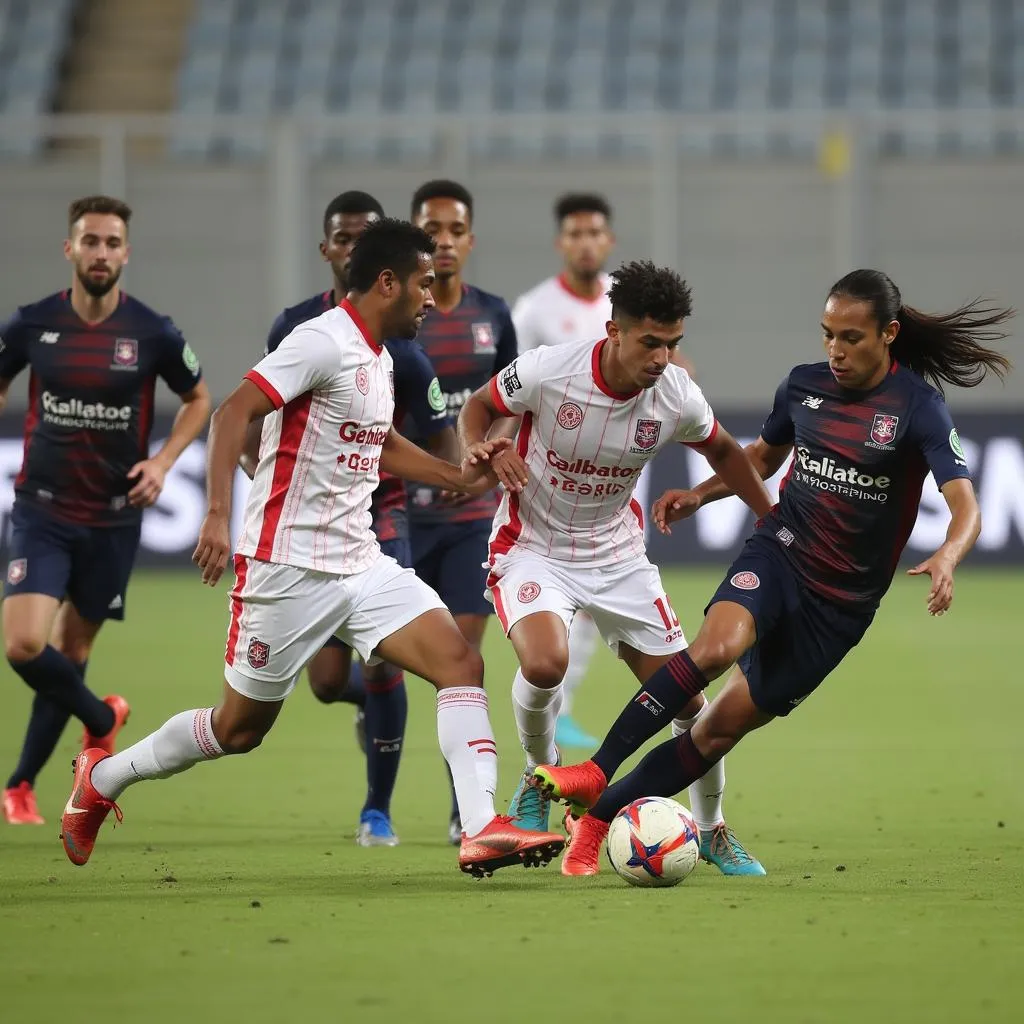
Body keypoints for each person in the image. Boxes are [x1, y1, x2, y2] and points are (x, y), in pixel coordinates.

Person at [59, 218, 565, 878]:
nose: (431, 299)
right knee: (237, 730)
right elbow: (232, 412)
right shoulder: (320, 343)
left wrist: (463, 474)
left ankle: (480, 829)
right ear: (387, 282)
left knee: (460, 665)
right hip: (285, 571)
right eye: (422, 285)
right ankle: (102, 780)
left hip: (361, 562)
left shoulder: (381, 358)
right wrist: (215, 515)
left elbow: (378, 442)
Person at [530, 268, 1013, 875]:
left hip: (840, 606)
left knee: (716, 733)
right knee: (714, 647)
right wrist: (700, 495)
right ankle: (593, 770)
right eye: (827, 334)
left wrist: (948, 553)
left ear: (889, 334)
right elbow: (763, 455)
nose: (835, 351)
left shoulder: (918, 408)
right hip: (782, 549)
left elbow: (965, 504)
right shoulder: (804, 386)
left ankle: (598, 814)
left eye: (852, 338)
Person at [459, 260, 771, 876]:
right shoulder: (552, 370)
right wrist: (484, 448)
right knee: (546, 663)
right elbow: (478, 407)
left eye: (673, 343)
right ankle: (536, 780)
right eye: (651, 342)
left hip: (618, 557)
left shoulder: (676, 394)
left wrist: (772, 517)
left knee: (691, 705)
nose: (662, 356)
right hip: (534, 547)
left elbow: (728, 453)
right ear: (615, 331)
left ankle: (711, 829)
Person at [241, 191, 456, 848]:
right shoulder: (302, 331)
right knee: (329, 684)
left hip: (377, 518)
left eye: (365, 238)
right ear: (329, 250)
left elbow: (433, 429)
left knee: (400, 661)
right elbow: (253, 410)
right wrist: (254, 481)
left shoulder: (402, 347)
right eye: (343, 238)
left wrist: (459, 477)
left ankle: (379, 809)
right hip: (301, 533)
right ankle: (381, 712)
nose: (352, 248)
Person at [0, 195, 211, 825]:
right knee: (24, 645)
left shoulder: (153, 332)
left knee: (74, 648)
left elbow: (198, 398)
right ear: (70, 249)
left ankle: (20, 786)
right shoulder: (32, 325)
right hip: (43, 509)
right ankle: (101, 717)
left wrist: (164, 462)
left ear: (126, 252)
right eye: (90, 241)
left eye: (112, 243)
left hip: (115, 517)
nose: (101, 253)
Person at [512, 193, 697, 750]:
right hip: (549, 488)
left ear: (608, 241)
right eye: (575, 233)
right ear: (561, 243)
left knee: (596, 609)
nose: (586, 242)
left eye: (595, 233)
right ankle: (552, 712)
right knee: (557, 622)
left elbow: (672, 377)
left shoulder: (632, 298)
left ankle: (563, 705)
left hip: (614, 488)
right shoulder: (534, 311)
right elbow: (512, 389)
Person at [407, 180, 519, 843]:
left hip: (469, 517)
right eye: (432, 230)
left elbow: (509, 399)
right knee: (371, 671)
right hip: (395, 512)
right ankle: (380, 723)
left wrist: (477, 462)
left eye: (454, 230)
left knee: (463, 659)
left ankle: (464, 805)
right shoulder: (400, 318)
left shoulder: (493, 316)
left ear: (470, 241)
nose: (443, 241)